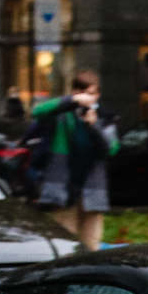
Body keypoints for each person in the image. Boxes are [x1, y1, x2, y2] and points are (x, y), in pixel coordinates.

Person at [26, 69, 118, 250]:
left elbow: (111, 149)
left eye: (91, 94)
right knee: (66, 246)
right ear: (74, 93)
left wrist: (93, 126)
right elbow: (38, 112)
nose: (88, 99)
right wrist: (71, 102)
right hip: (63, 187)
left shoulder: (105, 117)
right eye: (82, 94)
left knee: (91, 246)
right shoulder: (62, 115)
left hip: (92, 189)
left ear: (98, 94)